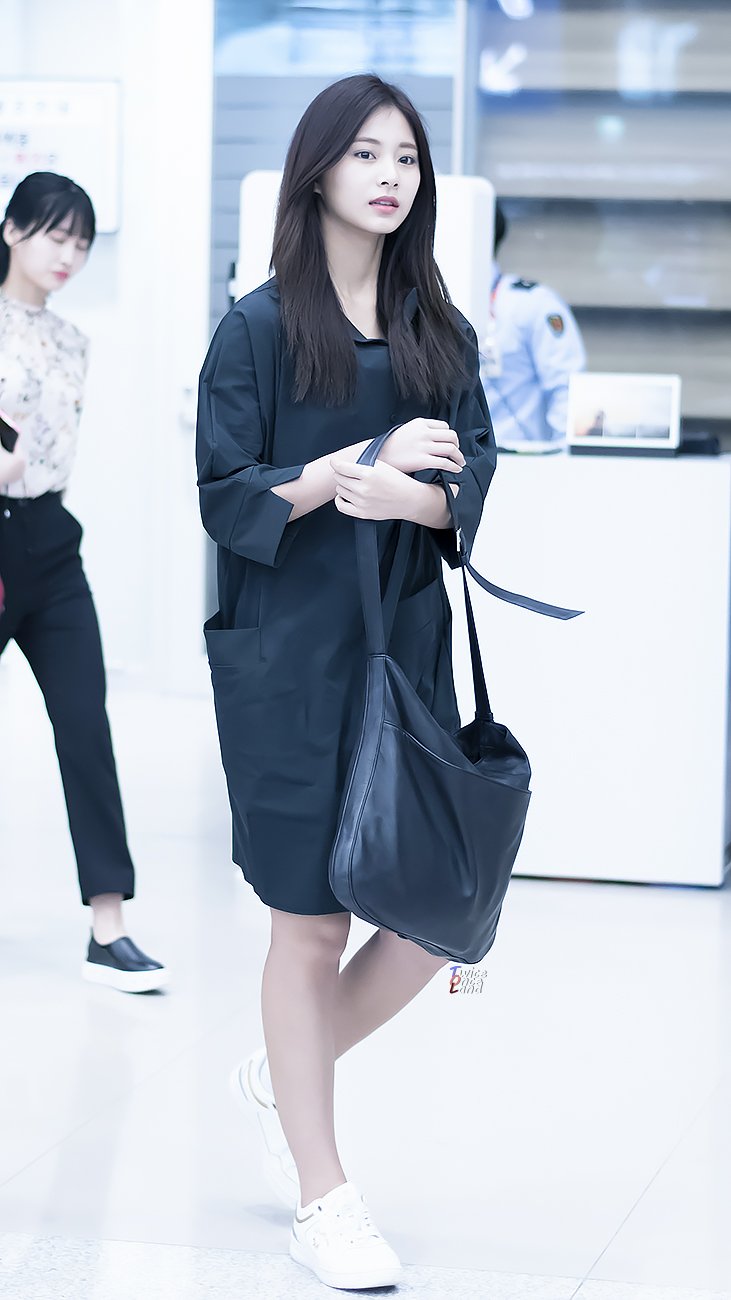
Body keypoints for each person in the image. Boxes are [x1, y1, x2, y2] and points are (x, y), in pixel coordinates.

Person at [196, 74, 496, 1291]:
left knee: (430, 914)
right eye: (365, 153)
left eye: (405, 158)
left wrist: (416, 498)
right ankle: (323, 1197)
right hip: (287, 660)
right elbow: (224, 498)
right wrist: (346, 468)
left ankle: (285, 1068)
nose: (388, 176)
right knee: (310, 921)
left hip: (404, 651)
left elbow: (473, 477)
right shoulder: (257, 328)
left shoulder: (437, 329)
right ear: (317, 169)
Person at [0, 172, 168, 993]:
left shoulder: (73, 341)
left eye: (80, 242)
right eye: (53, 234)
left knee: (85, 727)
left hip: (51, 542)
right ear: (11, 229)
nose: (67, 254)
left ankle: (110, 927)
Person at [480, 200, 586, 445]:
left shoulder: (531, 303)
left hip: (517, 458)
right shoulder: (416, 300)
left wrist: (560, 459)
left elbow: (566, 389)